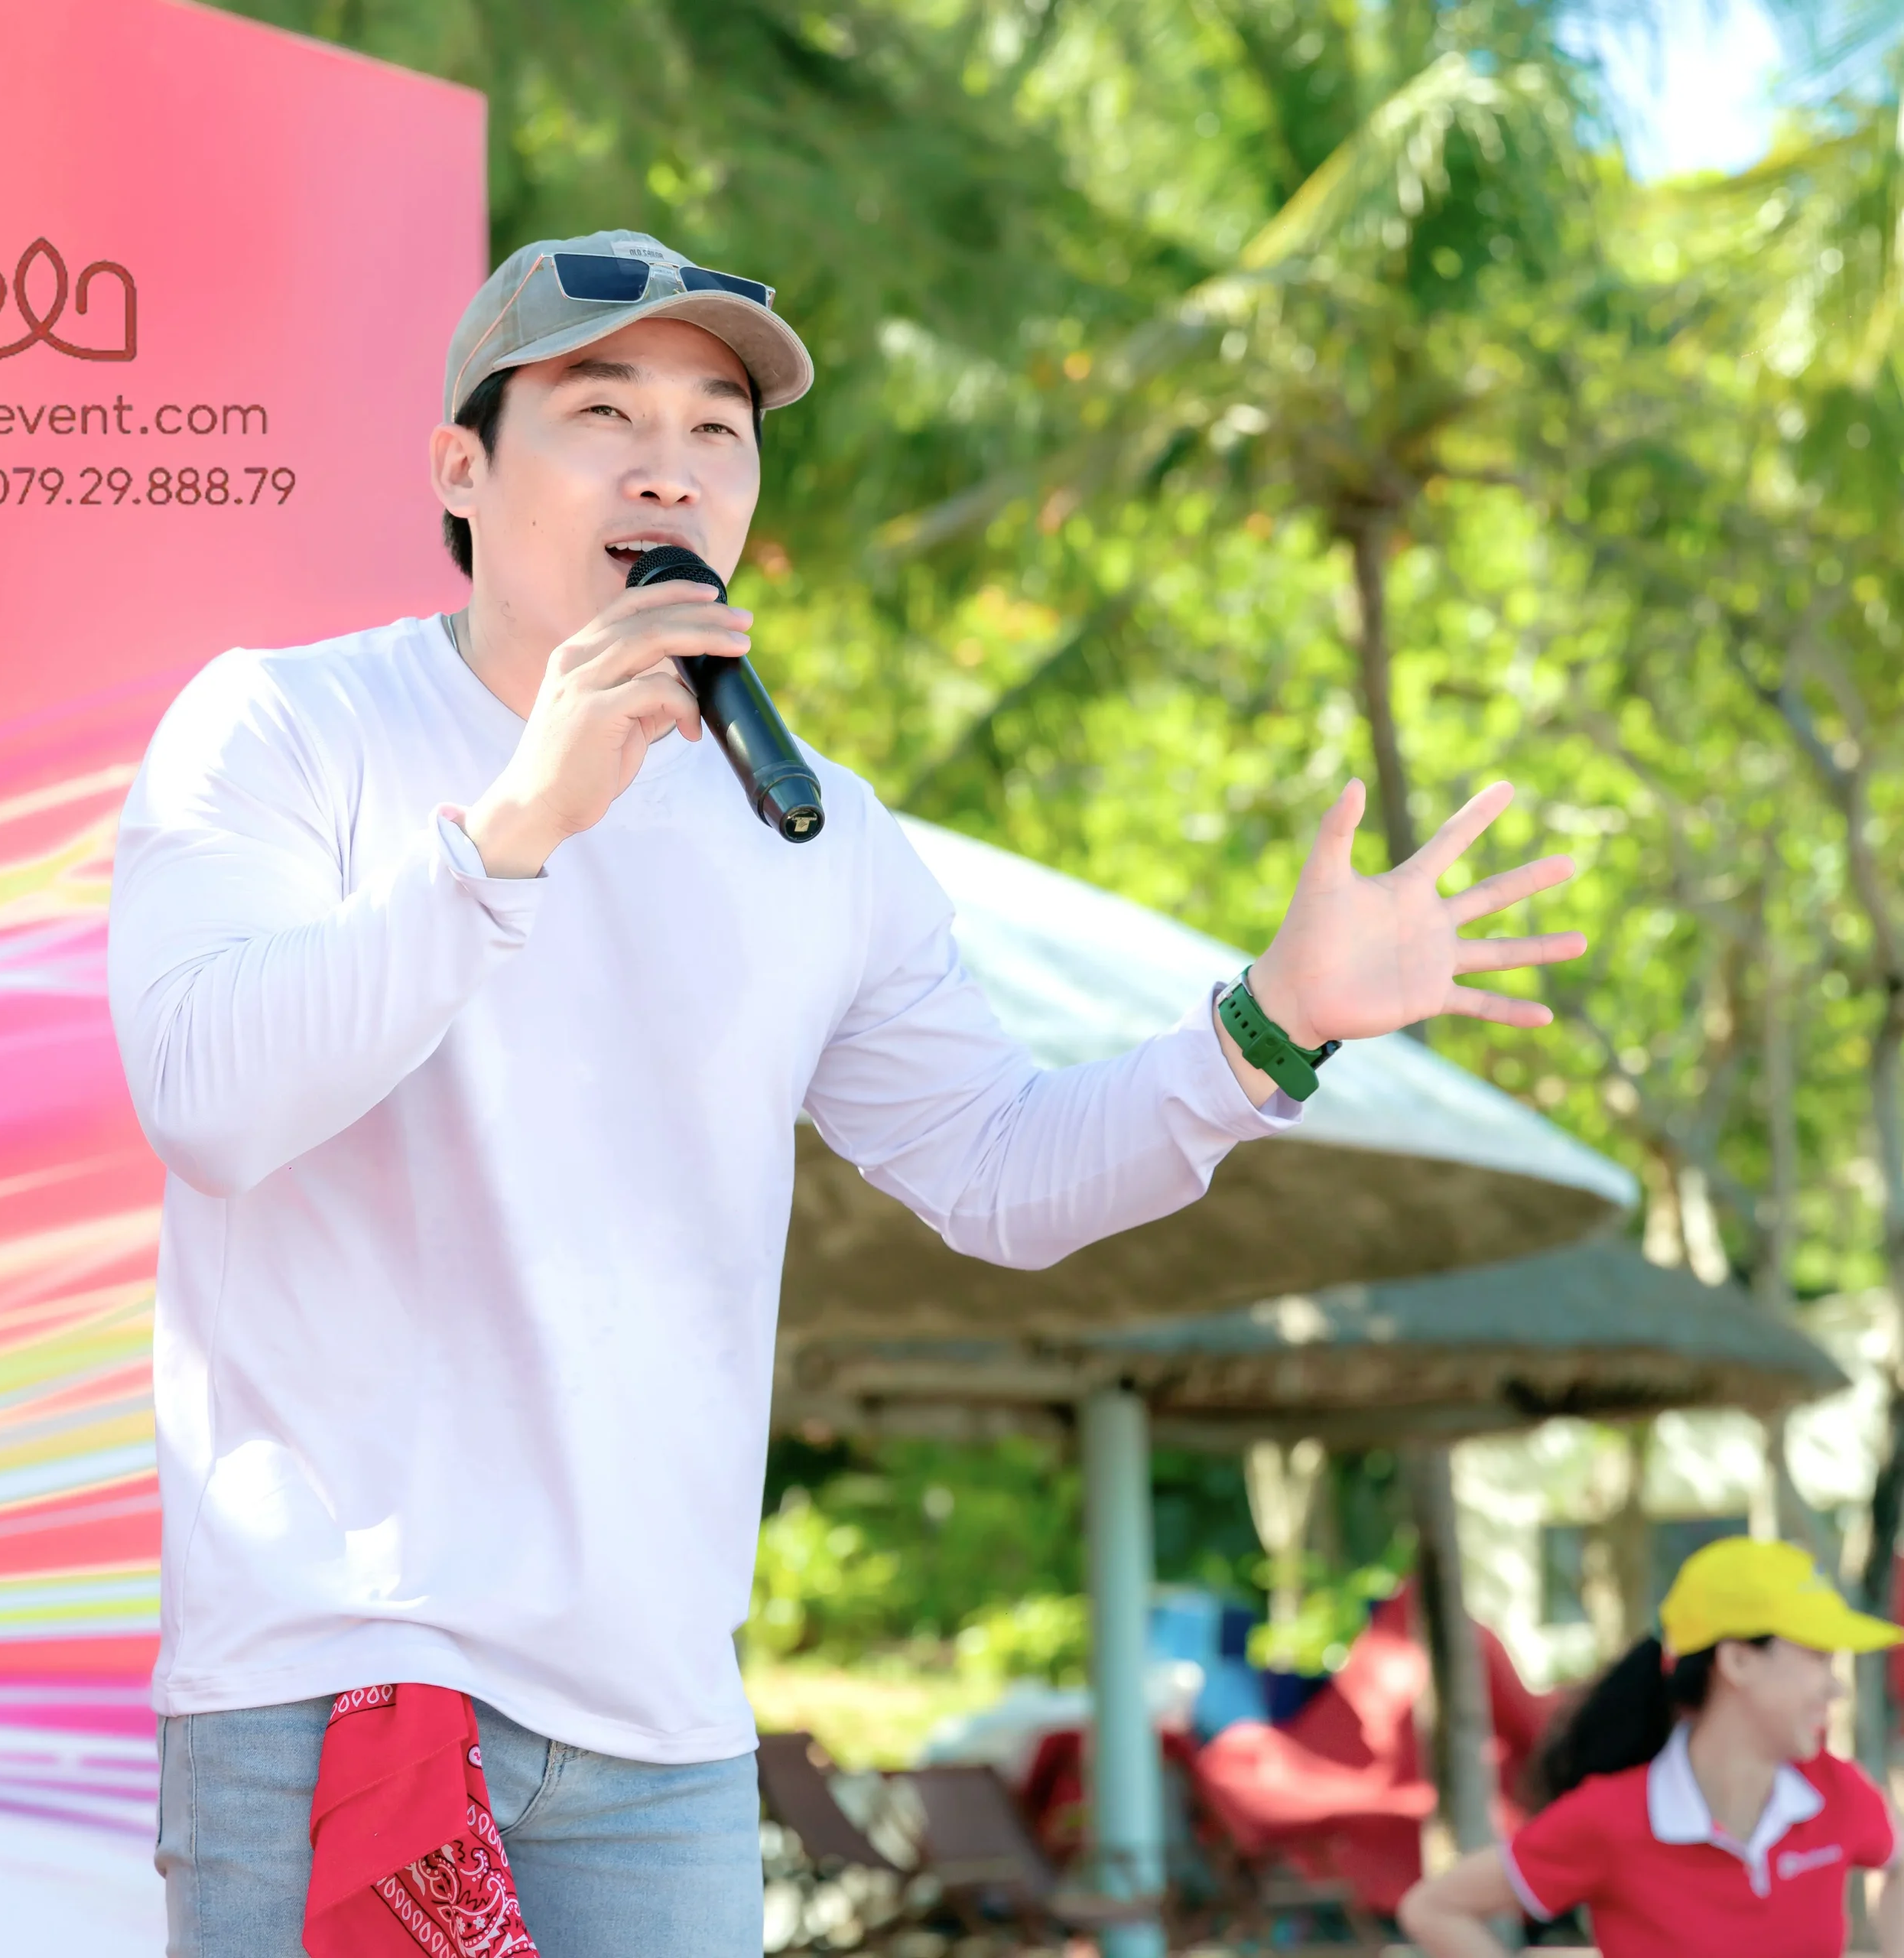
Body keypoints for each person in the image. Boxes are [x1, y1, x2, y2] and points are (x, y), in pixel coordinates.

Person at [109, 226, 1587, 1958]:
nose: (668, 466)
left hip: (659, 1734)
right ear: (460, 467)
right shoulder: (282, 728)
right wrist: (512, 832)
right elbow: (207, 1100)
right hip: (333, 1683)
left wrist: (1272, 1024)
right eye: (603, 412)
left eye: (716, 428)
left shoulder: (813, 832)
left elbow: (998, 1172)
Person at [1399, 1537, 1904, 1958]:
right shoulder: (1611, 1818)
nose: (1835, 1687)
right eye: (1817, 1657)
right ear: (1737, 1661)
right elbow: (1434, 1909)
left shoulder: (1839, 1792)